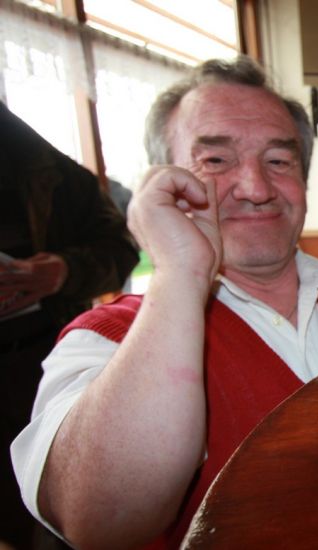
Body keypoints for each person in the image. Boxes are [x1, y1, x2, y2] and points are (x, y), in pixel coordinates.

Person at [11, 56, 318, 549]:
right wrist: (180, 272)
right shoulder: (106, 337)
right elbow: (99, 520)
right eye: (216, 161)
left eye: (279, 161)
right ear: (166, 184)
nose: (257, 189)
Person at [0, 101, 139, 548]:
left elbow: (121, 249)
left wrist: (62, 270)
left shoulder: (44, 164)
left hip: (36, 363)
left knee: (50, 520)